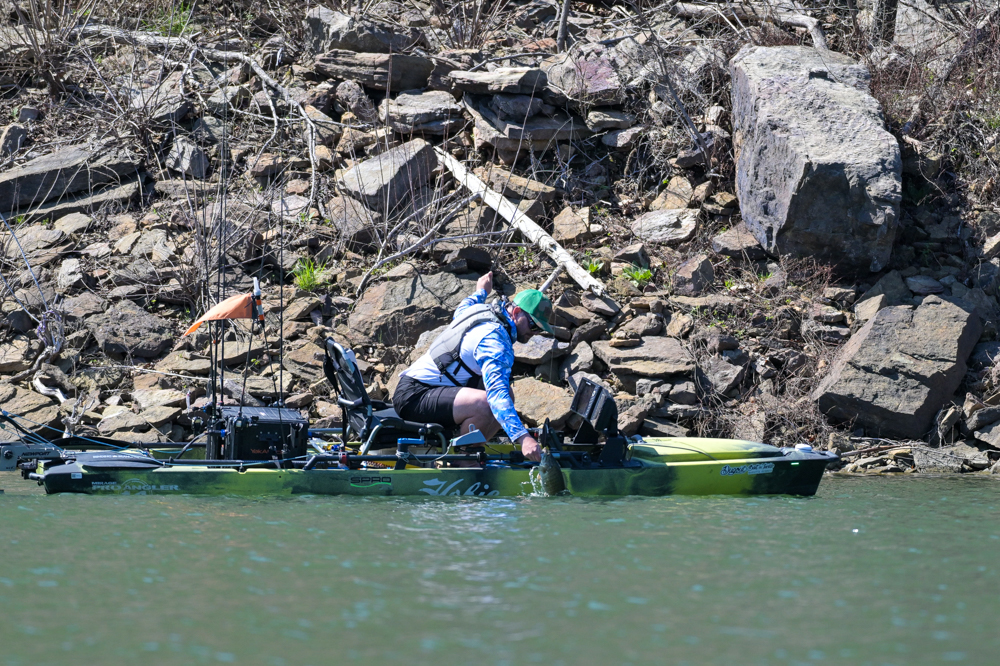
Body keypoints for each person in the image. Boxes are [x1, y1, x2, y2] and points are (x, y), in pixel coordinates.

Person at [392, 271, 553, 462]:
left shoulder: (480, 310)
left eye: (540, 329)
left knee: (507, 395)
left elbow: (462, 308)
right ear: (516, 312)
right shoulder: (494, 341)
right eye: (533, 326)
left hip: (423, 390)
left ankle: (469, 449)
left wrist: (481, 291)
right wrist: (523, 438)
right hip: (414, 396)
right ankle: (464, 462)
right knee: (487, 404)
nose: (534, 333)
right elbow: (496, 396)